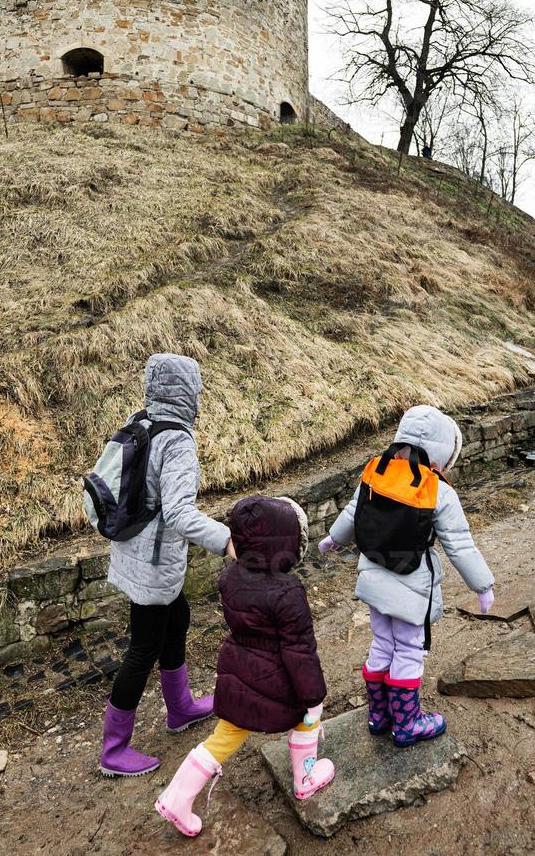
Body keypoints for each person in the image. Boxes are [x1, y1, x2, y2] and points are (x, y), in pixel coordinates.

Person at [318, 406, 496, 747]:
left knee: (382, 643)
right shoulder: (437, 489)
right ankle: (408, 722)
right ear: (443, 452)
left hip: (372, 579)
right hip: (411, 585)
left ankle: (379, 714)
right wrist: (482, 586)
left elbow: (353, 511)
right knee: (410, 650)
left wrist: (333, 537)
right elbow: (459, 544)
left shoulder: (377, 471)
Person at [156, 496, 332, 837]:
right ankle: (305, 778)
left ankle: (175, 797)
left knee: (224, 737)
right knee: (309, 714)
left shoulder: (231, 576)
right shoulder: (288, 591)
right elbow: (300, 651)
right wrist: (313, 695)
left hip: (240, 672)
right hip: (279, 681)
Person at [100, 354, 234, 778]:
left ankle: (180, 707)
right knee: (143, 648)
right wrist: (227, 539)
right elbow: (178, 513)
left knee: (178, 618)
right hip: (154, 561)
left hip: (133, 550)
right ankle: (113, 750)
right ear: (189, 393)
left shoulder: (139, 422)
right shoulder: (177, 441)